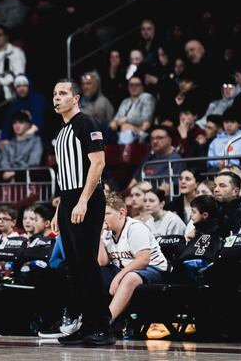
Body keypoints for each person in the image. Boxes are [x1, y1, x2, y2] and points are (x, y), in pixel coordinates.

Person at [50, 79, 114, 345]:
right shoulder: (62, 130)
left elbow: (98, 164)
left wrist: (83, 200)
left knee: (87, 263)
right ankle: (85, 325)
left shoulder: (86, 123)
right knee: (74, 267)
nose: (57, 98)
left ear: (76, 98)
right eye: (54, 94)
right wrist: (60, 210)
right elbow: (65, 175)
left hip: (85, 197)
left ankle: (102, 326)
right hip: (68, 199)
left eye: (63, 93)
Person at [98, 193, 168, 324]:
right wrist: (97, 236)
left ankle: (105, 323)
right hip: (126, 270)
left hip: (155, 270)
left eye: (106, 213)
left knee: (130, 277)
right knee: (94, 273)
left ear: (121, 213)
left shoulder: (135, 228)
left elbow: (143, 260)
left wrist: (118, 277)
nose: (102, 218)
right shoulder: (106, 233)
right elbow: (102, 261)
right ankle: (87, 317)